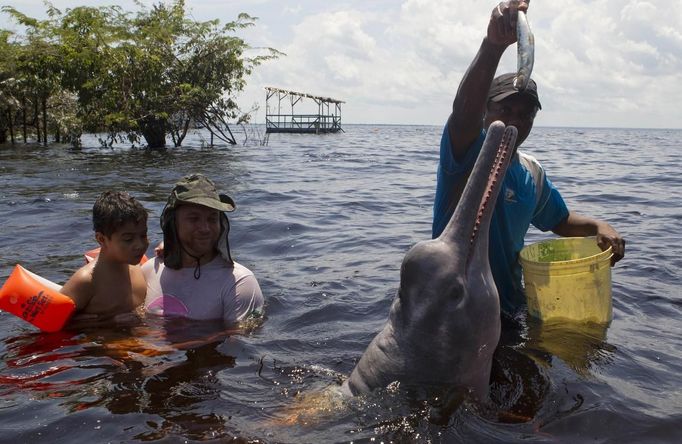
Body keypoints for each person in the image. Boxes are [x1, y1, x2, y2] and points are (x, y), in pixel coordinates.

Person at [432, 0, 625, 316]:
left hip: (505, 310)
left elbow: (559, 220)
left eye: (526, 114)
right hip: (453, 312)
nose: (515, 121)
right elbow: (464, 114)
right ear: (486, 111)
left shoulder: (530, 172)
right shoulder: (467, 153)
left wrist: (598, 225)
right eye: (505, 110)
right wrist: (492, 47)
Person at [142, 174, 264, 325]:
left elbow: (238, 341)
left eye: (212, 219)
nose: (205, 228)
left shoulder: (239, 283)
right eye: (194, 219)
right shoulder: (149, 270)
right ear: (173, 223)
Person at [61, 191, 149, 322]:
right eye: (128, 239)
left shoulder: (140, 267)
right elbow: (47, 323)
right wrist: (104, 323)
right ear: (101, 239)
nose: (140, 245)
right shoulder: (87, 281)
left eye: (143, 235)